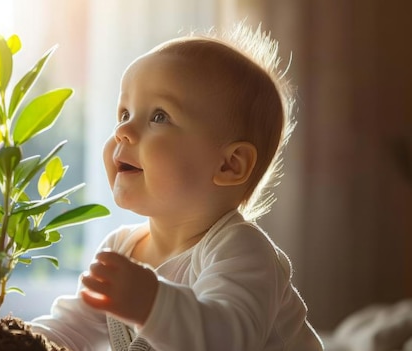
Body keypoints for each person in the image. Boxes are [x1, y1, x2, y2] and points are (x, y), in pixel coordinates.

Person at [31, 23, 323, 351]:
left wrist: (153, 303)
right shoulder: (121, 248)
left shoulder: (243, 251)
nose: (123, 131)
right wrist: (14, 340)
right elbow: (73, 328)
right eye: (124, 113)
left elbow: (226, 340)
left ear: (229, 164)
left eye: (158, 116)